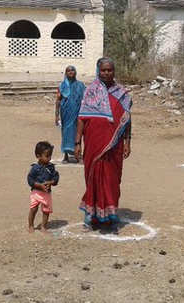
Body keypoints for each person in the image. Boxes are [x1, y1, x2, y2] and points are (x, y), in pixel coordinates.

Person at [74, 58, 132, 230]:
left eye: (110, 70)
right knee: (92, 177)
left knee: (112, 179)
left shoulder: (122, 93)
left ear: (114, 71)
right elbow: (82, 118)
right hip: (93, 143)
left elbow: (127, 120)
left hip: (115, 146)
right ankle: (91, 215)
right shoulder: (90, 91)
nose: (107, 73)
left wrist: (128, 141)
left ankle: (110, 214)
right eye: (104, 70)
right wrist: (77, 142)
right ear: (98, 71)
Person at [55, 65, 86, 163]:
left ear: (75, 72)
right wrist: (56, 115)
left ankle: (78, 154)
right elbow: (58, 101)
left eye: (72, 70)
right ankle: (66, 155)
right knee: (66, 133)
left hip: (78, 112)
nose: (71, 72)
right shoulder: (62, 86)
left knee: (78, 132)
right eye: (68, 71)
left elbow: (85, 99)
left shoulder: (81, 85)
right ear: (66, 73)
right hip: (66, 113)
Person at [27, 141, 59, 233]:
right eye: (47, 156)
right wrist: (39, 185)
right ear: (38, 156)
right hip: (36, 192)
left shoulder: (51, 167)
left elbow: (56, 177)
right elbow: (30, 180)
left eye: (50, 156)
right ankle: (31, 225)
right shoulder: (35, 168)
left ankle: (43, 226)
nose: (49, 158)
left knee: (46, 211)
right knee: (33, 209)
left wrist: (51, 182)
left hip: (46, 193)